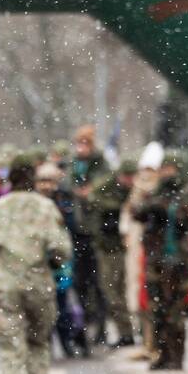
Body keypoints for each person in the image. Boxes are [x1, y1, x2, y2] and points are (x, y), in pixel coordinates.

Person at [0, 157, 72, 374]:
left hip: (7, 285)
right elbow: (61, 249)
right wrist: (52, 261)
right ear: (33, 178)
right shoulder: (45, 207)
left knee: (11, 349)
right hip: (38, 285)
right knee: (38, 342)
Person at [132, 152, 188, 370]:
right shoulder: (155, 193)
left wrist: (171, 208)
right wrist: (152, 204)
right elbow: (137, 213)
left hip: (179, 260)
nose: (167, 173)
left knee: (176, 310)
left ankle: (176, 356)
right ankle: (161, 353)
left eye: (171, 169)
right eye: (164, 168)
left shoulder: (187, 192)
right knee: (156, 308)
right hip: (156, 260)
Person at [88, 159, 139, 347]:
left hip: (127, 246)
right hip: (109, 246)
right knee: (111, 291)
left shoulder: (136, 189)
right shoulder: (108, 186)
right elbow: (93, 198)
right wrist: (116, 207)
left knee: (123, 290)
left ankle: (127, 332)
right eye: (127, 177)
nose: (130, 181)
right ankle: (125, 331)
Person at [35, 163, 83, 358]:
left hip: (60, 260)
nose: (46, 186)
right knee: (40, 305)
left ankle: (66, 341)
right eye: (42, 181)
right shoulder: (34, 203)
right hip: (38, 260)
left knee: (62, 303)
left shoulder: (63, 200)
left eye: (50, 181)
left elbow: (72, 227)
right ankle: (45, 344)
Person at [69, 124, 108, 345]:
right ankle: (83, 324)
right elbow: (68, 186)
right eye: (79, 143)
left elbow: (103, 188)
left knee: (99, 283)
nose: (81, 148)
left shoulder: (100, 166)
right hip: (77, 232)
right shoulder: (74, 166)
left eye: (85, 143)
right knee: (80, 282)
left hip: (96, 233)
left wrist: (91, 193)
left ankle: (100, 327)